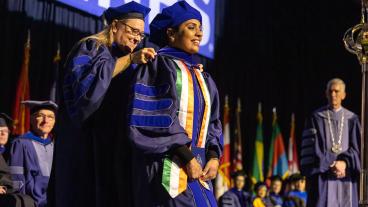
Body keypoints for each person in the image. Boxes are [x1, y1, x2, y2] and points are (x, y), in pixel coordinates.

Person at [49, 1, 155, 207]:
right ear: (115, 25)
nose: (136, 37)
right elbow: (84, 96)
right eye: (133, 30)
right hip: (84, 145)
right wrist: (130, 60)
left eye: (141, 34)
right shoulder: (90, 47)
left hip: (113, 147)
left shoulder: (128, 60)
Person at [127, 1, 223, 206]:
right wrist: (187, 158)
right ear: (171, 34)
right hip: (166, 169)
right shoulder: (157, 66)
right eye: (191, 27)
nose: (199, 33)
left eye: (200, 28)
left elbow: (213, 123)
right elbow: (155, 119)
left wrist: (214, 156)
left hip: (199, 170)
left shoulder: (203, 76)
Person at [300, 78, 361, 207]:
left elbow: (358, 149)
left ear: (343, 95)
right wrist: (331, 163)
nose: (333, 94)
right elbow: (310, 150)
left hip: (346, 177)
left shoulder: (352, 119)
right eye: (330, 91)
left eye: (337, 91)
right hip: (323, 177)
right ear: (326, 94)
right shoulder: (316, 118)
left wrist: (345, 163)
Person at [8, 100, 57, 207]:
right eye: (41, 116)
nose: (46, 121)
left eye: (50, 117)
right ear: (31, 119)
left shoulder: (57, 145)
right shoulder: (21, 143)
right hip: (32, 202)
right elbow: (16, 177)